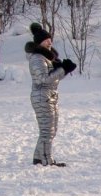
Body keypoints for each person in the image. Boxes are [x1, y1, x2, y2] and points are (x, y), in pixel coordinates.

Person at [25, 23, 76, 167]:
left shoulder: (45, 58)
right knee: (47, 130)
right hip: (42, 97)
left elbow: (53, 78)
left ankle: (38, 158)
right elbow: (43, 79)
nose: (50, 42)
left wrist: (64, 70)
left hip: (49, 96)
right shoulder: (37, 59)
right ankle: (47, 160)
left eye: (50, 39)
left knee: (50, 130)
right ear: (39, 43)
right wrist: (62, 70)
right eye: (46, 40)